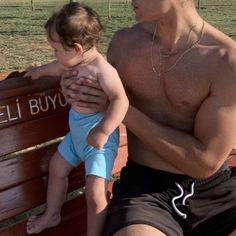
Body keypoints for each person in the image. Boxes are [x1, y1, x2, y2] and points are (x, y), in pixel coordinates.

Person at [60, 0, 236, 235]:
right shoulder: (124, 45)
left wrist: (120, 109)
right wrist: (73, 85)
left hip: (216, 195)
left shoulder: (225, 60)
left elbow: (204, 162)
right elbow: (90, 88)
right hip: (144, 191)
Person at [24, 2, 129, 236]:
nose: (55, 55)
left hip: (98, 143)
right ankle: (52, 214)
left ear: (77, 48)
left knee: (94, 192)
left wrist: (104, 130)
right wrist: (40, 71)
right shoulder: (74, 62)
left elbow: (120, 101)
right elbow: (57, 67)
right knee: (56, 168)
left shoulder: (102, 70)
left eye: (57, 50)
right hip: (76, 137)